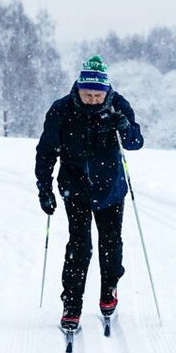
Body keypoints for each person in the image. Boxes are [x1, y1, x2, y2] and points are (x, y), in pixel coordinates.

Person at [36, 56, 144, 334]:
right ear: (79, 89)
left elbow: (135, 142)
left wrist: (125, 127)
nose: (93, 100)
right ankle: (72, 305)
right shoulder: (61, 110)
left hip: (111, 189)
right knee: (79, 246)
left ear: (106, 91)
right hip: (76, 188)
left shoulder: (119, 106)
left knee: (111, 244)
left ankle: (109, 290)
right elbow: (46, 151)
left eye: (98, 95)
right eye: (87, 94)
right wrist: (44, 188)